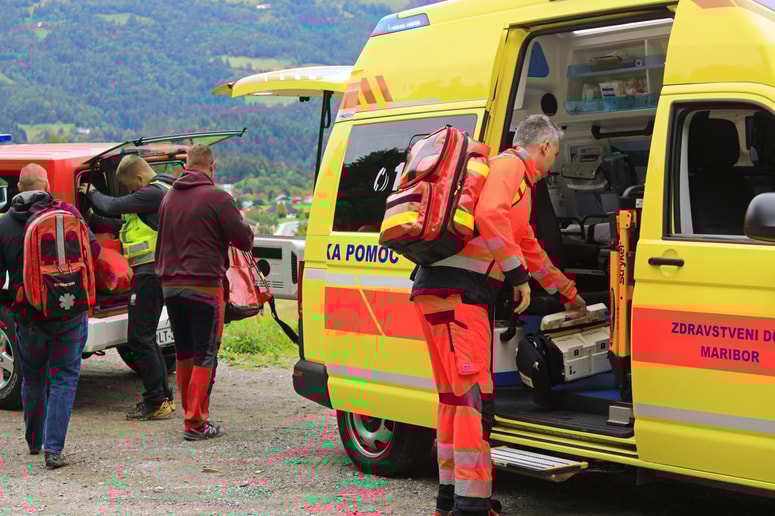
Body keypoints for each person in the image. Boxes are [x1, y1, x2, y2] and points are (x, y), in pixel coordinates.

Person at [410, 114, 587, 516]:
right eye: (554, 155)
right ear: (542, 148)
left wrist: (568, 293)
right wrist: (518, 279)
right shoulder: (509, 168)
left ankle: (451, 500)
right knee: (473, 402)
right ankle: (471, 505)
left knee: (455, 400)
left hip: (440, 294)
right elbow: (491, 217)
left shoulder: (517, 187)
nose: (552, 165)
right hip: (460, 298)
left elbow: (527, 246)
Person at [0, 163, 101, 469]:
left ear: (19, 188)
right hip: (70, 312)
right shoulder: (68, 213)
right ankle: (53, 450)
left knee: (33, 376)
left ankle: (34, 441)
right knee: (64, 377)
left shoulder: (4, 224)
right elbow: (93, 251)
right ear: (45, 185)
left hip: (28, 314)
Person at [154, 144, 254, 441]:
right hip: (203, 285)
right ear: (212, 165)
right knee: (205, 354)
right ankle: (195, 423)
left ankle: (189, 413)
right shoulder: (217, 197)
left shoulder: (168, 197)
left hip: (170, 287)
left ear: (187, 165)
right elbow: (244, 239)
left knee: (184, 351)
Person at [78, 155, 177, 421]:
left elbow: (112, 205)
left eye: (131, 188)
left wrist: (90, 190)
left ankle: (156, 401)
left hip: (150, 274)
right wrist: (88, 215)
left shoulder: (152, 193)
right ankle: (163, 397)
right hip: (154, 274)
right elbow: (123, 225)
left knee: (138, 338)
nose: (131, 193)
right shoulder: (161, 193)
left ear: (140, 178)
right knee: (145, 337)